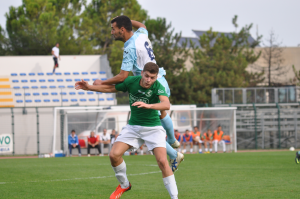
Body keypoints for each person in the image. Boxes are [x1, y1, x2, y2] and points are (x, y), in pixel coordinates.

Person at [75, 62, 179, 199]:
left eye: (152, 78)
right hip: (133, 127)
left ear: (156, 78)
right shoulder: (131, 81)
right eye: (147, 76)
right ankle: (124, 185)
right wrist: (89, 87)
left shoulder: (157, 86)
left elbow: (166, 104)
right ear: (142, 72)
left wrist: (148, 106)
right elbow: (111, 89)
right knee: (114, 155)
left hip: (153, 128)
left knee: (162, 161)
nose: (149, 80)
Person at [93, 16, 183, 170]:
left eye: (113, 29)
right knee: (158, 118)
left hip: (148, 85)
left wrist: (103, 82)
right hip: (160, 79)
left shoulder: (130, 47)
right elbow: (142, 25)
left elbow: (123, 76)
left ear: (122, 29)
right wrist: (128, 20)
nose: (111, 32)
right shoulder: (141, 35)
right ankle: (173, 142)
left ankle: (175, 153)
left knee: (146, 128)